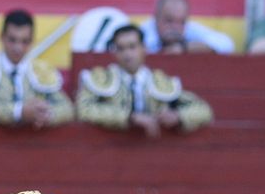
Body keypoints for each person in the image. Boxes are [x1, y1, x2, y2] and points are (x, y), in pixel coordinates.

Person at [77, 25, 212, 137]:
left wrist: (179, 116)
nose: (127, 54)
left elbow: (203, 110)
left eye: (132, 47)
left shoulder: (160, 82)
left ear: (144, 48)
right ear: (114, 52)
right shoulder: (102, 79)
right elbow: (83, 109)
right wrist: (130, 117)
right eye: (121, 48)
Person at [0, 9, 71, 129]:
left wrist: (45, 114)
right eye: (12, 40)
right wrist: (18, 112)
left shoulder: (42, 71)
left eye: (24, 41)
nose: (18, 48)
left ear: (32, 41)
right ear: (1, 37)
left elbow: (67, 108)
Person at [140, 0, 233, 55]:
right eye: (169, 20)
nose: (175, 27)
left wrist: (186, 48)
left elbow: (226, 44)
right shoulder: (143, 32)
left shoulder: (190, 28)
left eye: (181, 22)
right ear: (156, 18)